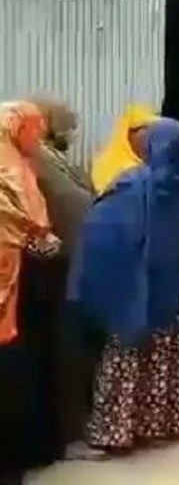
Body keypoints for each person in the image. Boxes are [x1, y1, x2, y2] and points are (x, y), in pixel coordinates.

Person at [70, 117, 179, 454]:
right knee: (160, 355)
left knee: (124, 356)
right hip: (170, 290)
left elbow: (101, 234)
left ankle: (114, 432)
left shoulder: (133, 184)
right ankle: (154, 424)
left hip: (133, 291)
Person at [27, 99, 101, 462]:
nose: (72, 134)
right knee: (65, 352)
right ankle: (68, 435)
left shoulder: (50, 157)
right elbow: (73, 202)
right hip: (52, 269)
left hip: (68, 264)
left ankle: (71, 430)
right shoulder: (36, 158)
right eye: (67, 126)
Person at [0, 102, 61, 485]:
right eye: (33, 130)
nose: (37, 139)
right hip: (13, 296)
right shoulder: (14, 174)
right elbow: (38, 232)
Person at [90, 103, 157, 195]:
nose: (148, 140)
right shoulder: (108, 166)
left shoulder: (155, 163)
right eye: (142, 132)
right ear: (127, 134)